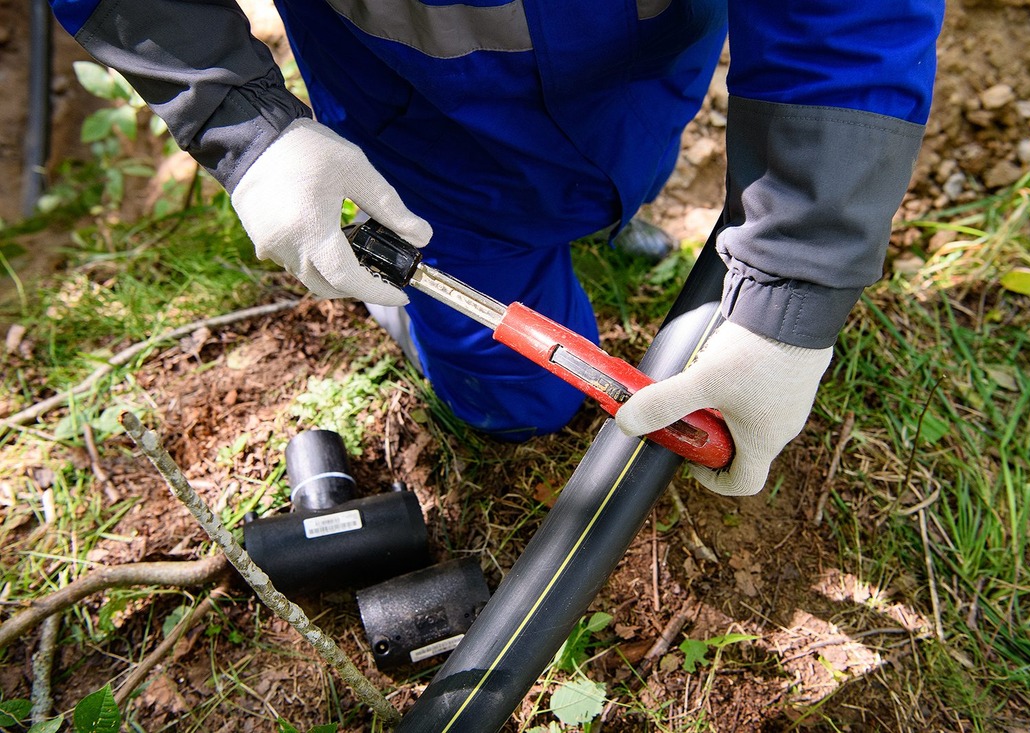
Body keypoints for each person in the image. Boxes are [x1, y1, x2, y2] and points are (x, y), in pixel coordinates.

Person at [48, 0, 944, 497]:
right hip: (425, 138)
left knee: (621, 175)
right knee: (522, 404)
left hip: (636, 81)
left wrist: (794, 284)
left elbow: (850, 21)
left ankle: (593, 217)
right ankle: (400, 300)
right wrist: (246, 129)